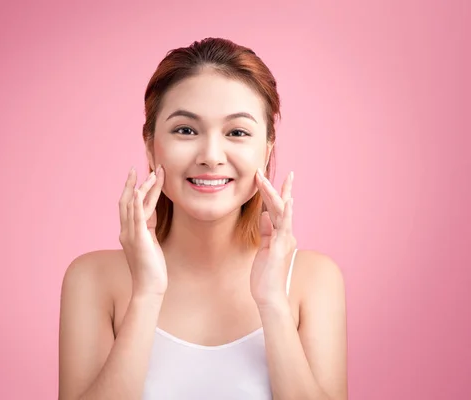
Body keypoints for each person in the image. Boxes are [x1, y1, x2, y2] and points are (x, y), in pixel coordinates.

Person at [58, 37, 348, 400]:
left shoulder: (312, 280)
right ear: (150, 145)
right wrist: (146, 295)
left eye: (237, 132)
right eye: (186, 130)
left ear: (267, 148)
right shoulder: (93, 280)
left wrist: (273, 302)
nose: (211, 156)